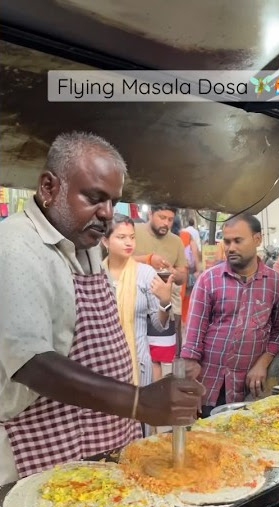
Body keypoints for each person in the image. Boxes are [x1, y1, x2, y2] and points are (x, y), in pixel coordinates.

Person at [0, 132, 203, 485]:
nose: (107, 214)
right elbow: (32, 364)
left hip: (101, 433)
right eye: (94, 198)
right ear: (48, 188)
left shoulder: (85, 242)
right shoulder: (17, 245)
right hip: (42, 444)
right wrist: (138, 401)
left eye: (112, 201)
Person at [181, 213, 279, 416]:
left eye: (238, 241)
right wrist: (189, 386)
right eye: (227, 241)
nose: (230, 248)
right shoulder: (209, 280)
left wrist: (263, 362)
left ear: (257, 239)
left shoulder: (275, 283)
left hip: (251, 387)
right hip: (210, 385)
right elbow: (193, 339)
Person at [101, 214, 173, 388]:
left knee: (136, 413)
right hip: (103, 364)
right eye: (121, 237)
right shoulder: (95, 275)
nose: (129, 243)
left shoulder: (145, 274)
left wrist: (165, 300)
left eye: (132, 237)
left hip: (138, 363)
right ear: (105, 241)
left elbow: (159, 324)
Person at [131, 204, 188, 375]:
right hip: (135, 305)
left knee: (162, 359)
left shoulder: (176, 241)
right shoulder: (134, 230)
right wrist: (148, 259)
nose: (166, 223)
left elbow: (183, 276)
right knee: (135, 354)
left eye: (170, 219)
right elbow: (118, 259)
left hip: (165, 306)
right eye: (162, 218)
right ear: (150, 214)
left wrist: (173, 272)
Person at [179, 227, 200, 327]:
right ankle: (185, 322)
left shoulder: (177, 242)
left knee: (181, 301)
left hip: (181, 277)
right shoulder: (191, 242)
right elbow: (197, 260)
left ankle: (183, 322)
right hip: (188, 276)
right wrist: (198, 271)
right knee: (188, 299)